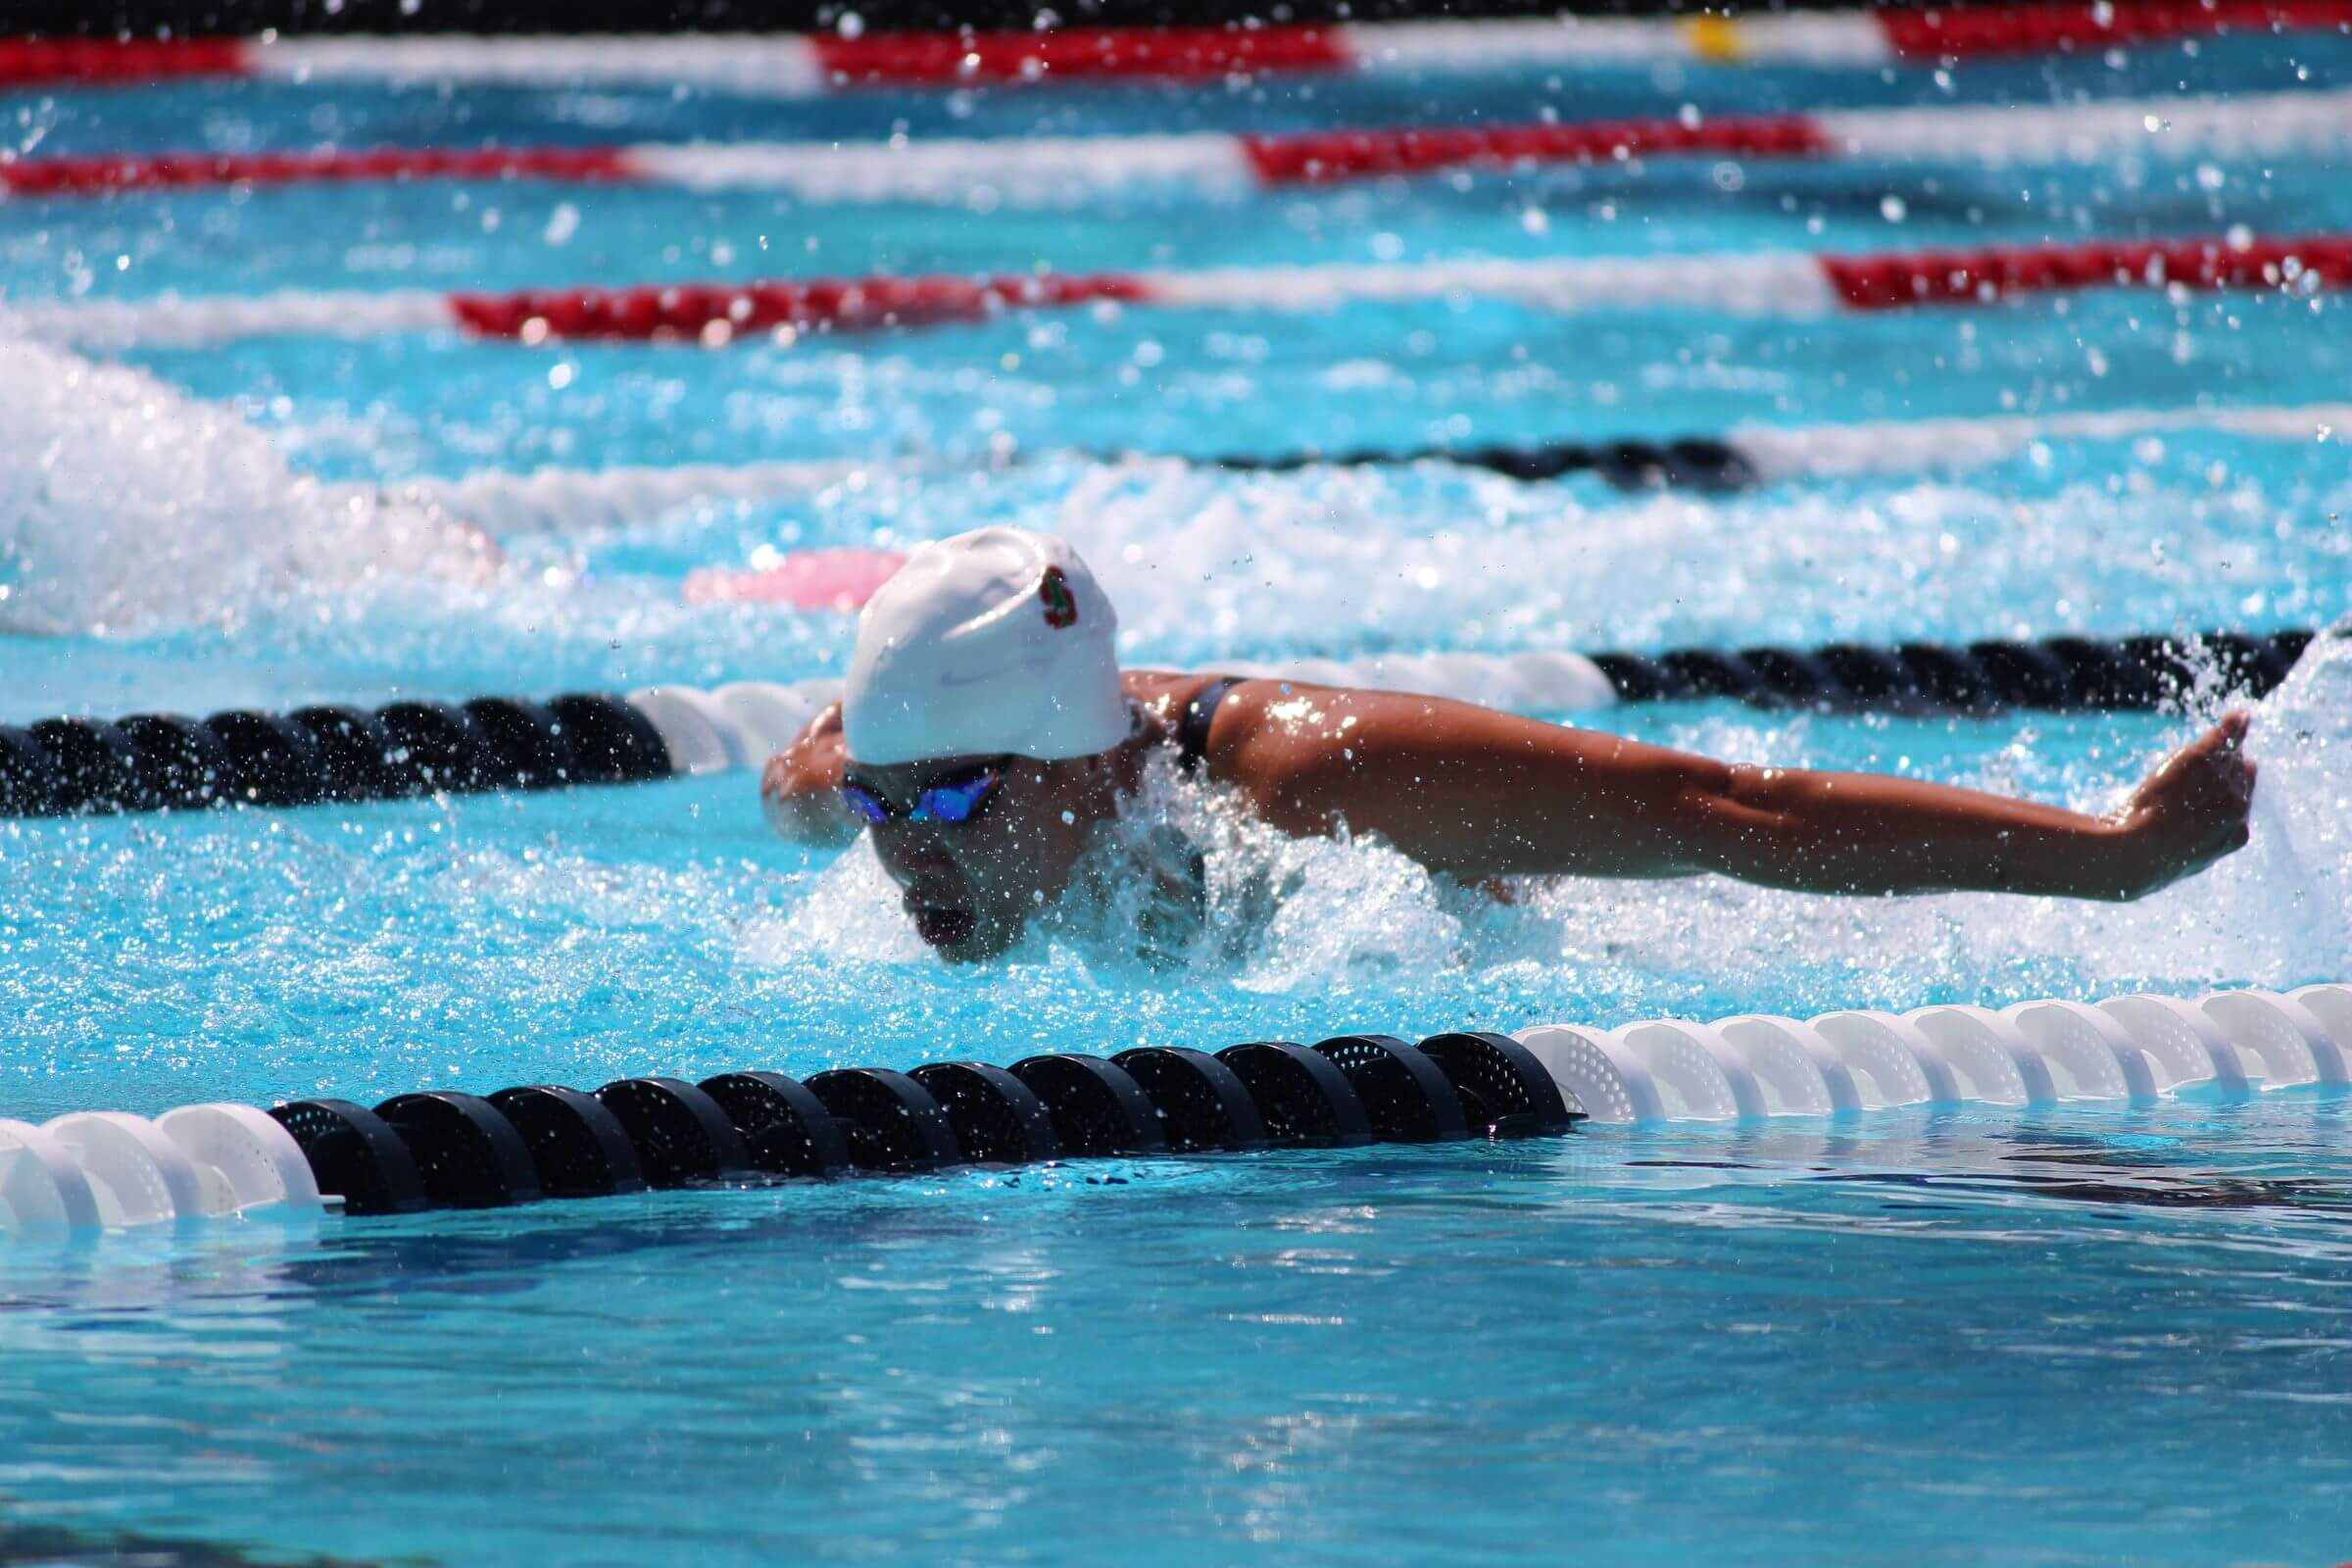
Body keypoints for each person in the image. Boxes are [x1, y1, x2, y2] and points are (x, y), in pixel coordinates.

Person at [760, 527, 2258, 962]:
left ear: (1085, 760)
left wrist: (2120, 862)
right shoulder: (905, 775)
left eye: (949, 799)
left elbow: (1723, 809)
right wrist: (829, 782)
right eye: (885, 804)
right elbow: (810, 781)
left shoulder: (1308, 784)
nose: (908, 848)